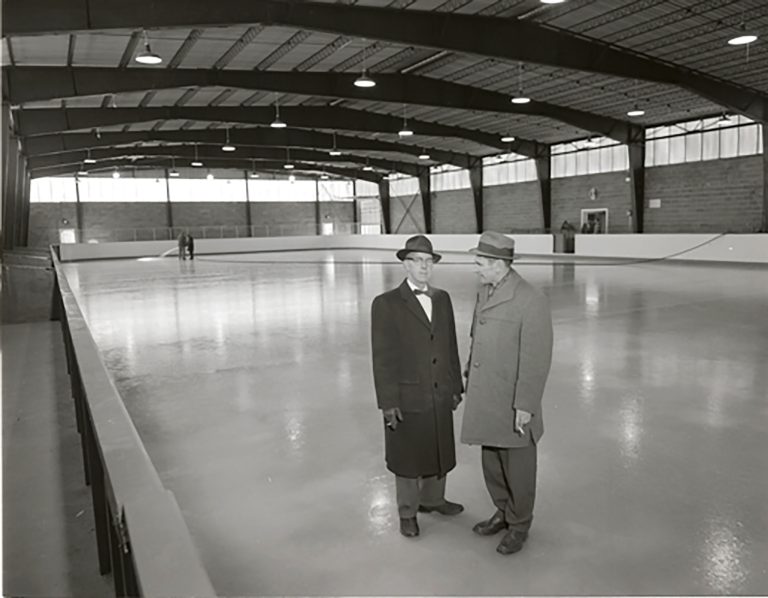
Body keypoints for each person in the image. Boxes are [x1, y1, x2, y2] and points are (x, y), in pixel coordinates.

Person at [460, 231, 553, 556]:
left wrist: (525, 405)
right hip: (486, 395)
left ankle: (519, 524)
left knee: (519, 468)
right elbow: (478, 336)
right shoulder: (485, 291)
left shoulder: (530, 299)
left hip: (513, 400)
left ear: (500, 265)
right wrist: (470, 372)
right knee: (492, 463)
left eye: (481, 263)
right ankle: (502, 511)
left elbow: (536, 359)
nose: (477, 269)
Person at [371, 235, 464, 538]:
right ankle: (407, 512)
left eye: (429, 261)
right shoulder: (386, 304)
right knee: (408, 457)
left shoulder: (442, 298)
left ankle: (434, 500)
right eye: (417, 260)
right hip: (408, 393)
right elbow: (382, 358)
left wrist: (455, 386)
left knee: (438, 447)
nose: (425, 266)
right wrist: (388, 401)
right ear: (405, 264)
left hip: (438, 390)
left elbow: (450, 345)